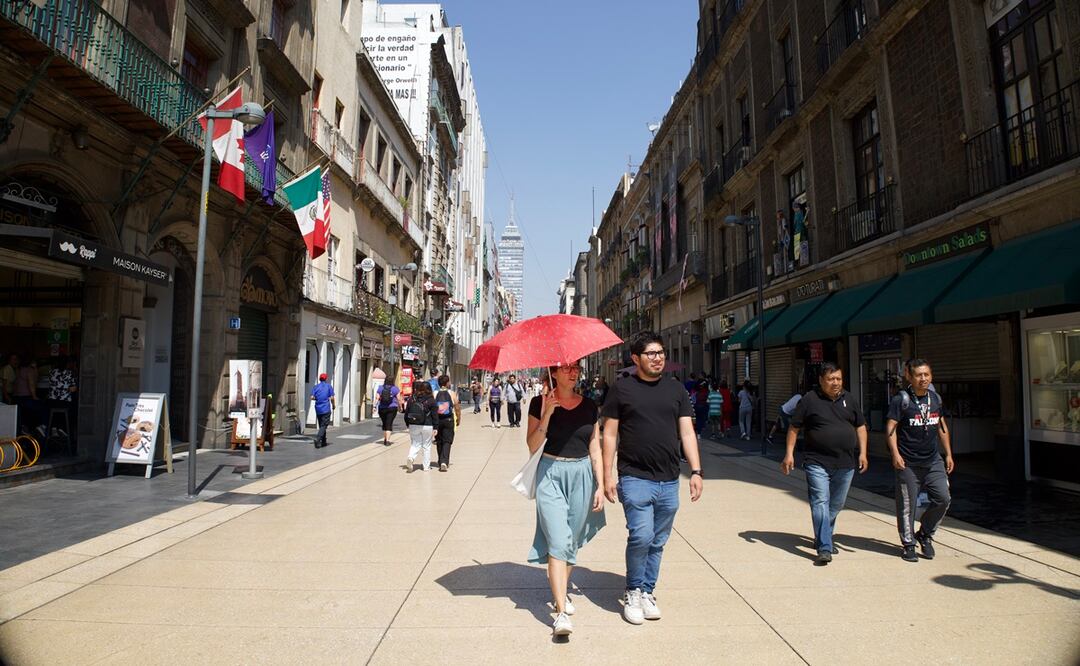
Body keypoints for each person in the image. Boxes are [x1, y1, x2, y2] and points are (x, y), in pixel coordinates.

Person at [602, 331, 703, 626]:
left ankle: (648, 590)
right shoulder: (622, 389)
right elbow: (609, 433)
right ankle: (633, 590)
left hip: (670, 478)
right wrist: (608, 475)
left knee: (658, 540)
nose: (658, 358)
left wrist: (696, 471)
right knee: (641, 535)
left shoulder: (676, 390)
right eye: (651, 353)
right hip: (634, 476)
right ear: (636, 358)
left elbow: (686, 432)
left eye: (661, 353)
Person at [526, 361, 606, 638]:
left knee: (571, 540)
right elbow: (532, 445)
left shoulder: (589, 406)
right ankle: (560, 612)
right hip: (550, 472)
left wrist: (600, 484)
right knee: (558, 541)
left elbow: (594, 446)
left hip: (582, 473)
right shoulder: (539, 403)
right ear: (553, 372)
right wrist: (548, 413)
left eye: (576, 368)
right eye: (566, 368)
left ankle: (561, 590)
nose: (573, 373)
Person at [781, 362, 868, 566]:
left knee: (836, 504)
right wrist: (789, 454)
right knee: (820, 501)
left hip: (846, 463)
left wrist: (863, 453)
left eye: (838, 378)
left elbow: (861, 426)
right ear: (821, 381)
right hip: (816, 461)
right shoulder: (809, 400)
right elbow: (794, 428)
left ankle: (823, 536)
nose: (835, 383)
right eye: (830, 379)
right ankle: (824, 547)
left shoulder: (850, 399)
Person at [886, 359, 954, 563]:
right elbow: (891, 428)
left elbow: (941, 427)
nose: (923, 379)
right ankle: (908, 544)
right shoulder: (902, 400)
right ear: (910, 376)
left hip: (933, 460)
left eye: (926, 375)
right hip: (908, 463)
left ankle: (924, 534)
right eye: (919, 375)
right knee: (908, 505)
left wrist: (948, 453)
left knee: (943, 498)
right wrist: (895, 455)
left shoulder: (935, 399)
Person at [404, 381, 438, 472]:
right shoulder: (431, 400)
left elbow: (406, 412)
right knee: (426, 446)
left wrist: (408, 424)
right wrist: (436, 427)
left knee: (415, 443)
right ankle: (426, 467)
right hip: (427, 425)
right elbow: (435, 415)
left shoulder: (412, 399)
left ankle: (411, 458)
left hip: (413, 424)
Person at [48, 357, 78, 446]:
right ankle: (63, 429)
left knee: (54, 412)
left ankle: (54, 428)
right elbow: (73, 389)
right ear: (67, 364)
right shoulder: (69, 373)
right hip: (64, 402)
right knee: (72, 412)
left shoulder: (51, 372)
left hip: (52, 401)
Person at [433, 374, 461, 472]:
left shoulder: (435, 393)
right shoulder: (452, 393)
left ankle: (440, 460)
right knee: (447, 441)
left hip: (437, 420)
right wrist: (458, 418)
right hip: (449, 419)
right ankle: (444, 461)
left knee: (439, 440)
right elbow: (457, 406)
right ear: (447, 383)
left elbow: (432, 408)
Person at [310, 373, 335, 449]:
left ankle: (323, 441)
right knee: (324, 426)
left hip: (318, 409)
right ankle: (318, 439)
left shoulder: (315, 387)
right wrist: (333, 405)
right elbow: (332, 398)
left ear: (319, 379)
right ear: (326, 379)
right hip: (326, 409)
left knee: (321, 425)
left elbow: (311, 397)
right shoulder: (328, 386)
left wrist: (317, 399)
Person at [377, 377, 400, 446]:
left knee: (384, 423)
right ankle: (387, 440)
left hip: (382, 408)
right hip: (392, 408)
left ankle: (385, 438)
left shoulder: (380, 388)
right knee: (389, 423)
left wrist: (374, 406)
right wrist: (400, 407)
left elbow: (377, 398)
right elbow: (399, 399)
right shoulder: (395, 388)